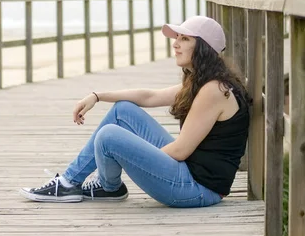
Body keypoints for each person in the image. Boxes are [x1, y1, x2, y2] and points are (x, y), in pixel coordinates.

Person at [19, 15, 250, 208]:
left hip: (197, 189)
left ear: (203, 49)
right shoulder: (204, 82)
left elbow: (180, 151)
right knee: (123, 111)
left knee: (110, 136)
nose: (175, 43)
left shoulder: (213, 90)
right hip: (189, 172)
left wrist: (136, 156)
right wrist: (97, 96)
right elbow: (149, 96)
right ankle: (73, 182)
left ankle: (105, 186)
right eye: (177, 37)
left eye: (185, 39)